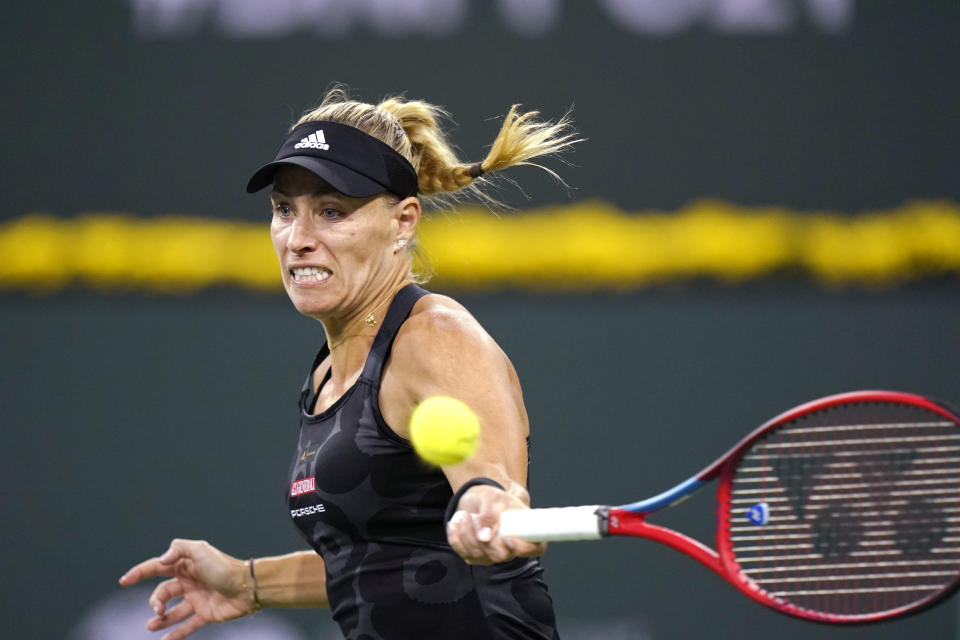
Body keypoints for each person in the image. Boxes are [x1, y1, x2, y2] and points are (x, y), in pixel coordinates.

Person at [119, 87, 578, 640]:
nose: (298, 238)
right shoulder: (327, 374)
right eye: (285, 209)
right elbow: (380, 559)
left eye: (331, 211)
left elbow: (497, 486)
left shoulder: (436, 338)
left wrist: (488, 499)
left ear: (404, 222)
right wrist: (248, 582)